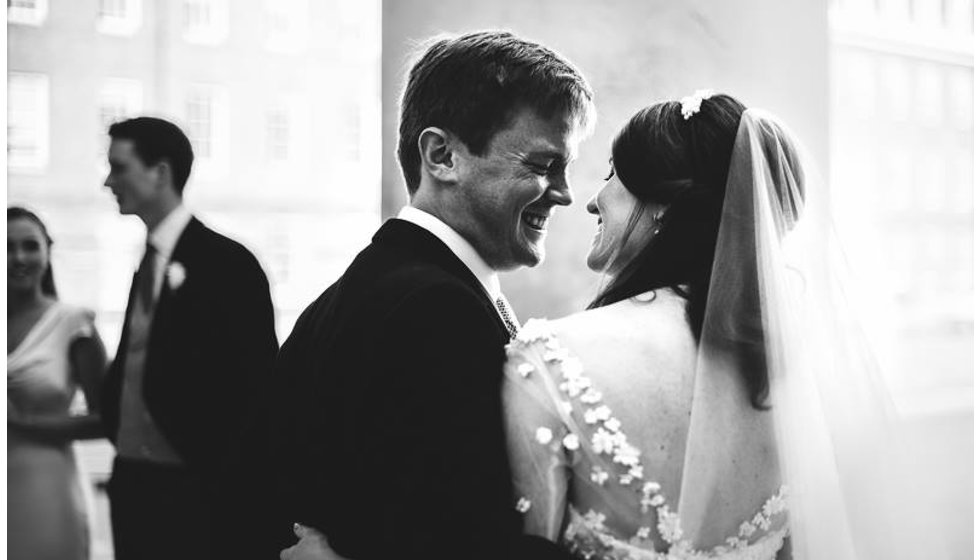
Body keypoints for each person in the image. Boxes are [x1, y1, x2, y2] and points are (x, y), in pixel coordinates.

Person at [502, 92, 945, 559]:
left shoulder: (549, 361)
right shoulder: (798, 375)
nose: (592, 201)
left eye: (613, 174)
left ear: (663, 205)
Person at [263, 30, 594, 560]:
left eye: (566, 167)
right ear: (442, 156)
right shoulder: (437, 312)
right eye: (542, 165)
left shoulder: (357, 292)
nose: (565, 193)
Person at [99, 116, 279, 560]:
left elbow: (255, 387)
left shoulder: (228, 264)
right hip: (133, 485)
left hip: (196, 493)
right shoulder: (148, 262)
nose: (108, 181)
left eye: (119, 168)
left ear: (159, 172)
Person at [8, 206, 108, 560]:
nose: (19, 257)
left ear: (48, 252)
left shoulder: (72, 323)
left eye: (30, 246)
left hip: (44, 488)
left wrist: (26, 425)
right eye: (7, 247)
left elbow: (108, 418)